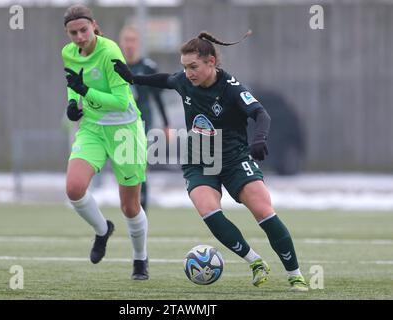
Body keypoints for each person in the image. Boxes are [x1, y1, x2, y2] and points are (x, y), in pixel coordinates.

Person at [112, 31, 308, 291]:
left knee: (262, 210)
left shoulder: (231, 88)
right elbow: (165, 80)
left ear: (211, 63)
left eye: (193, 67)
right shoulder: (185, 81)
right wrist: (133, 77)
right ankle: (255, 262)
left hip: (234, 158)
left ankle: (295, 274)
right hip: (199, 160)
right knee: (209, 210)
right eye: (185, 67)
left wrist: (259, 139)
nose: (188, 73)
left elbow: (261, 115)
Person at [61, 4, 149, 280]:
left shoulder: (110, 51)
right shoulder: (68, 53)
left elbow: (122, 102)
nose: (79, 37)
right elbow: (72, 84)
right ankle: (102, 230)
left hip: (125, 130)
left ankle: (140, 259)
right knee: (74, 188)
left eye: (83, 30)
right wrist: (73, 104)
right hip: (93, 129)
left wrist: (85, 92)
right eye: (73, 33)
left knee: (130, 206)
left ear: (94, 26)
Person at [118, 25, 171, 212]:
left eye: (133, 40)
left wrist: (166, 124)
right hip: (118, 122)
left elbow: (158, 98)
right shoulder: (115, 65)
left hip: (142, 122)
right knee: (126, 166)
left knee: (139, 163)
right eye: (126, 40)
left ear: (138, 43)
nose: (129, 44)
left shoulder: (148, 67)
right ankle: (130, 205)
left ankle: (142, 207)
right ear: (121, 43)